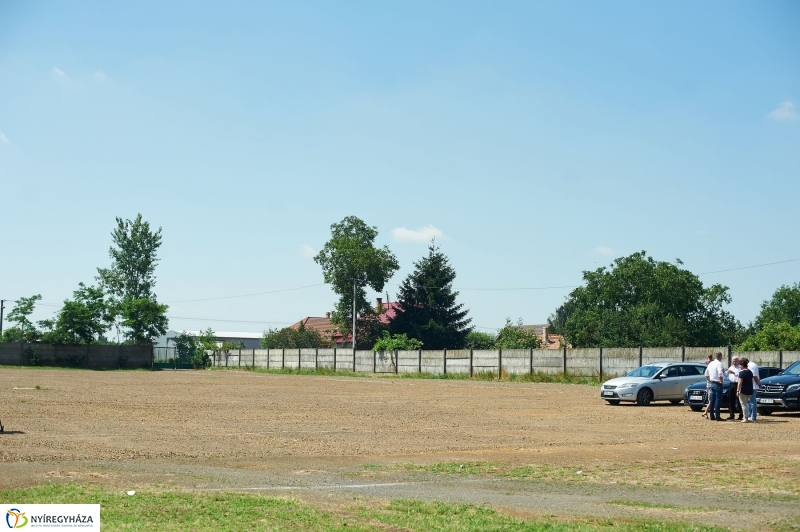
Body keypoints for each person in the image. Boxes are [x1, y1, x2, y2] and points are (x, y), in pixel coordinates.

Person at [706, 351, 725, 421]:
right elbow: (720, 373)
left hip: (712, 383)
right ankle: (717, 416)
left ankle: (712, 415)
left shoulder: (711, 363)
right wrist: (721, 381)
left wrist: (710, 380)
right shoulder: (719, 364)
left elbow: (706, 374)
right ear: (720, 357)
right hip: (717, 383)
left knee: (712, 400)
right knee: (718, 400)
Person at [737, 357, 754, 423]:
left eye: (740, 365)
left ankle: (745, 418)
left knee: (743, 404)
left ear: (742, 365)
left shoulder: (742, 373)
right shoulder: (750, 372)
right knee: (747, 404)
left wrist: (738, 390)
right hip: (750, 390)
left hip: (743, 390)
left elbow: (740, 382)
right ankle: (748, 416)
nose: (740, 366)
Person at [701, 354, 714, 418]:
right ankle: (705, 412)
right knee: (711, 400)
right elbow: (706, 375)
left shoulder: (706, 363)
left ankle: (706, 412)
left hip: (709, 385)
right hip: (710, 385)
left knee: (710, 399)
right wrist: (710, 380)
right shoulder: (710, 364)